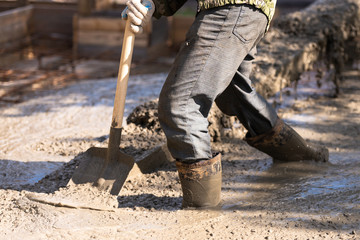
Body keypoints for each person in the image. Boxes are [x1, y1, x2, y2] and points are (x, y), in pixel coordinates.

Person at [122, 0, 329, 209]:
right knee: (233, 92)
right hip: (250, 11)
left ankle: (202, 211)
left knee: (182, 104)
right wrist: (154, 4)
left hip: (231, 8)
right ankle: (299, 157)